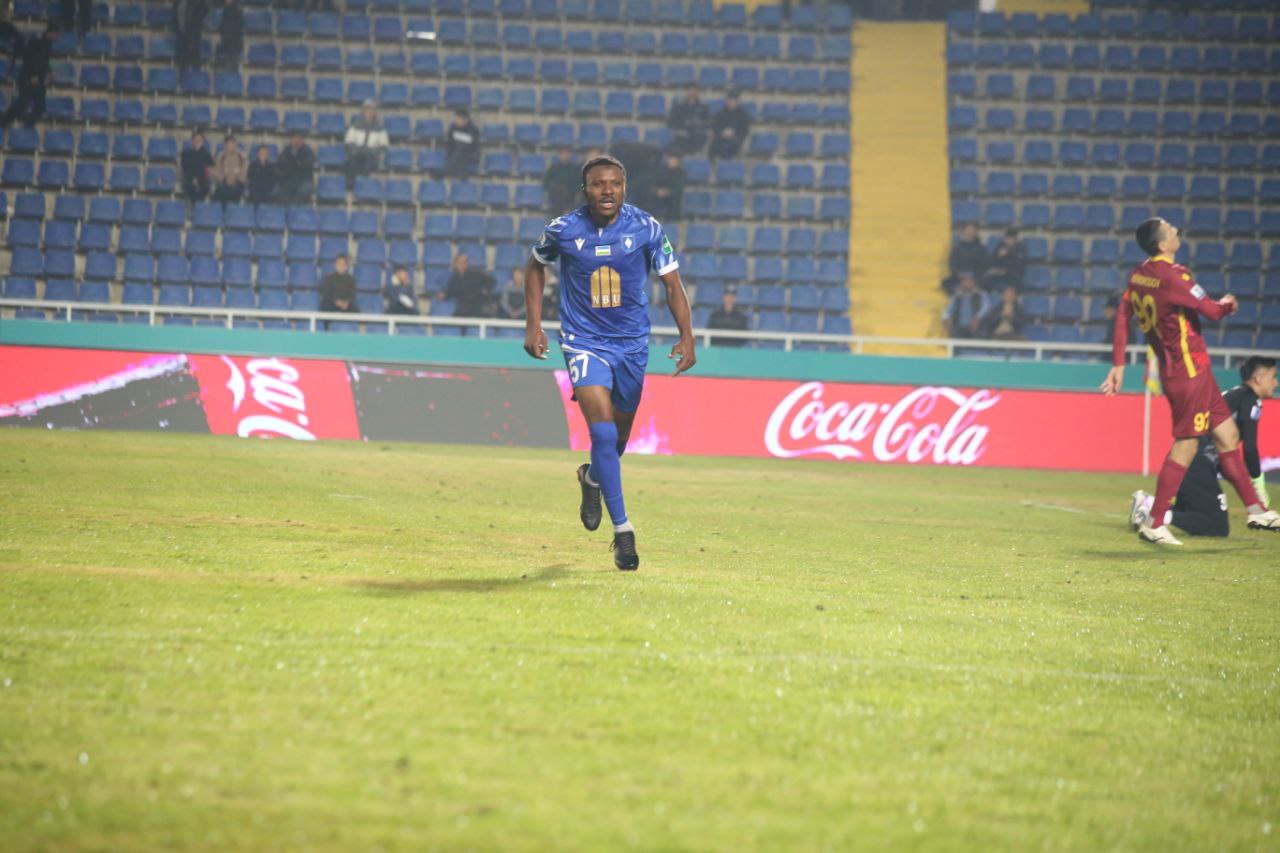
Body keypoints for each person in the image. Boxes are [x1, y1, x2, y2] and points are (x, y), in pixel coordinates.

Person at [523, 154, 697, 570]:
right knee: (601, 434)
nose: (607, 191)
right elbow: (535, 267)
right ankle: (624, 532)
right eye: (598, 184)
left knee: (616, 441)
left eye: (615, 184)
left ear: (624, 188)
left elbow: (672, 284)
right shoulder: (564, 229)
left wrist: (686, 335)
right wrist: (533, 325)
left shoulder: (647, 228)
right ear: (585, 190)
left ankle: (592, 479)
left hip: (632, 346)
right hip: (583, 342)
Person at [1101, 217, 1280, 544]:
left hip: (1194, 371)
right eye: (1171, 231)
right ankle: (1155, 521)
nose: (1176, 232)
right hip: (1188, 372)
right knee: (1187, 443)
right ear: (1162, 244)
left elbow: (1123, 316)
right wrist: (1228, 305)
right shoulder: (1175, 276)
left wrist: (1118, 362)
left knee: (1228, 435)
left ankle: (1256, 510)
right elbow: (1211, 311)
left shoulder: (1139, 275)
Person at [1131, 357, 1277, 538]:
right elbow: (1249, 448)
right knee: (1216, 526)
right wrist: (1257, 482)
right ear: (1258, 379)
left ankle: (1149, 505)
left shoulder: (1234, 396)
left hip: (1190, 458)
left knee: (1197, 513)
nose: (1275, 383)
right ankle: (1149, 513)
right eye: (1273, 377)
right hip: (1198, 460)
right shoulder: (1250, 400)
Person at [0, 24, 57, 130]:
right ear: (50, 32)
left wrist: (49, 72)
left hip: (40, 79)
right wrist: (33, 75)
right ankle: (4, 121)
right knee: (22, 104)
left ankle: (27, 127)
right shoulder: (36, 41)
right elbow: (29, 59)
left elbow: (44, 61)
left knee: (39, 107)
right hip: (28, 77)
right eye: (55, 34)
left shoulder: (48, 44)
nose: (56, 37)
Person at [343, 100, 388, 190]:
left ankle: (362, 186)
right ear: (363, 111)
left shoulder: (380, 128)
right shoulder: (355, 125)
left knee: (368, 157)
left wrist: (373, 151)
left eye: (372, 110)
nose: (369, 112)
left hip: (371, 156)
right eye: (367, 109)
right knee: (352, 159)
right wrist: (356, 150)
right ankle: (351, 187)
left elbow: (384, 145)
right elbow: (348, 141)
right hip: (357, 154)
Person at [441, 254, 496, 319]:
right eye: (459, 262)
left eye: (464, 262)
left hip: (478, 305)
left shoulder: (476, 274)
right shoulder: (453, 279)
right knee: (455, 320)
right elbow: (451, 292)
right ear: (455, 264)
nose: (462, 265)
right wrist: (444, 295)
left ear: (467, 264)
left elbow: (492, 280)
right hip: (464, 307)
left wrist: (486, 289)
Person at [942, 273, 991, 340]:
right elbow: (949, 308)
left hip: (977, 327)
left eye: (969, 280)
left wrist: (978, 318)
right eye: (964, 280)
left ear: (974, 282)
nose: (967, 283)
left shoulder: (981, 294)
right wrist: (946, 318)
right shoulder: (957, 295)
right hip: (959, 327)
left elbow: (986, 307)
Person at [666, 86, 710, 157]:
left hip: (698, 134)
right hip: (683, 133)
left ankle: (696, 156)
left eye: (694, 90)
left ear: (697, 92)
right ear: (686, 92)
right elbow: (671, 121)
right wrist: (678, 129)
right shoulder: (679, 106)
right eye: (690, 90)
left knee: (701, 138)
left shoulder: (703, 107)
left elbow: (708, 121)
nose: (692, 93)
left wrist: (700, 126)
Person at [943, 224, 987, 294]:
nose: (970, 232)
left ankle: (975, 296)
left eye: (972, 230)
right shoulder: (957, 247)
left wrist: (973, 278)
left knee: (986, 282)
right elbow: (952, 262)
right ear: (964, 231)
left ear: (976, 232)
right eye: (968, 229)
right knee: (945, 283)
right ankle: (958, 296)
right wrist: (959, 274)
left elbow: (984, 264)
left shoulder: (981, 248)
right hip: (960, 275)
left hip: (975, 276)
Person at [709, 90, 750, 161]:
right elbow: (715, 126)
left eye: (734, 100)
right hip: (721, 137)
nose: (732, 102)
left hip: (736, 138)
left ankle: (730, 163)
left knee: (733, 144)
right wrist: (722, 133)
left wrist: (733, 133)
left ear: (738, 102)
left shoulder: (743, 115)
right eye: (730, 100)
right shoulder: (720, 114)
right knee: (713, 145)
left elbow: (744, 129)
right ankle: (712, 164)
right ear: (726, 101)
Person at [982, 228, 1026, 292]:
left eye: (1010, 238)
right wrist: (998, 256)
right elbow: (991, 261)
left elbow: (1020, 265)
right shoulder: (1000, 246)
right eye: (1006, 238)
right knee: (986, 280)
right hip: (999, 273)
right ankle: (987, 295)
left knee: (1016, 283)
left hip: (1013, 274)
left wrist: (1006, 271)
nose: (1008, 240)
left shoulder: (1020, 248)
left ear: (1015, 239)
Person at [276, 133, 315, 204]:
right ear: (291, 141)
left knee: (303, 190)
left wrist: (295, 164)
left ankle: (295, 209)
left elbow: (308, 165)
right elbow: (281, 163)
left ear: (302, 141)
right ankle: (286, 209)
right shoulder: (286, 151)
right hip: (289, 180)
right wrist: (296, 164)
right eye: (294, 140)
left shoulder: (308, 151)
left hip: (304, 180)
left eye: (298, 140)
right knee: (282, 191)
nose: (296, 142)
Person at [210, 134, 248, 204]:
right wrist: (223, 179)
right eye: (229, 143)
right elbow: (216, 171)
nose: (231, 145)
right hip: (224, 185)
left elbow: (245, 171)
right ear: (225, 145)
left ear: (236, 144)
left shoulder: (242, 156)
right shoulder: (221, 156)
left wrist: (237, 180)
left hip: (237, 185)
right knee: (217, 194)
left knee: (237, 192)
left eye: (233, 143)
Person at [648, 153, 685, 222]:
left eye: (674, 161)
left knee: (675, 200)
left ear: (678, 162)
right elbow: (653, 183)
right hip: (658, 196)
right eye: (671, 160)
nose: (672, 162)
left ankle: (672, 220)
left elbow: (679, 189)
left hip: (672, 198)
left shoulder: (681, 174)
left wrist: (668, 192)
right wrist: (657, 191)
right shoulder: (660, 171)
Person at [174, 0, 210, 72]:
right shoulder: (179, 2)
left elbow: (205, 10)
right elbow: (175, 14)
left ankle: (195, 74)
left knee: (194, 54)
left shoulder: (200, 2)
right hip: (182, 33)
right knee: (183, 57)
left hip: (194, 33)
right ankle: (183, 74)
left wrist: (195, 24)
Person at [444, 109, 481, 178]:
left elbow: (473, 145)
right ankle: (459, 173)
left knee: (461, 149)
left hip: (470, 156)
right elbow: (450, 144)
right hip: (456, 156)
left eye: (458, 119)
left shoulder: (473, 129)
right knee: (457, 151)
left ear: (465, 120)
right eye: (456, 119)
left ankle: (448, 170)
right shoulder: (453, 128)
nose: (456, 121)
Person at [542, 147, 579, 216]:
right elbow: (546, 182)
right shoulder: (554, 167)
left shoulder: (574, 169)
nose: (565, 156)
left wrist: (572, 190)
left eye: (566, 154)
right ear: (560, 155)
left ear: (569, 156)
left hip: (569, 194)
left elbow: (577, 183)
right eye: (563, 154)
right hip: (556, 193)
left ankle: (560, 213)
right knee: (558, 192)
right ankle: (563, 212)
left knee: (564, 193)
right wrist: (551, 189)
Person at [180, 130, 214, 202]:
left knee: (204, 188)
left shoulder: (206, 154)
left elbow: (211, 165)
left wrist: (200, 150)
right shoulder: (186, 154)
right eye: (195, 140)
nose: (197, 142)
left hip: (203, 182)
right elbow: (185, 168)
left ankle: (199, 206)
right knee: (190, 188)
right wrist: (192, 179)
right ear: (192, 141)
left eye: (200, 140)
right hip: (189, 181)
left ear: (203, 142)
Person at [215, 0, 243, 68]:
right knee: (230, 63)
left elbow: (236, 27)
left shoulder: (235, 10)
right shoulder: (227, 10)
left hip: (233, 42)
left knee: (232, 63)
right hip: (229, 41)